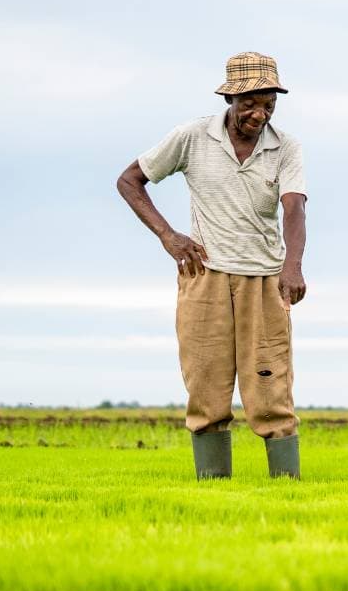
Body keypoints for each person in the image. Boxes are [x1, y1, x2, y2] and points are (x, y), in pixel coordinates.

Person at [117, 52, 308, 480]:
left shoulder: (286, 147)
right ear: (230, 98)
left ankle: (288, 486)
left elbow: (294, 208)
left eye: (269, 105)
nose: (259, 115)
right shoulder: (192, 137)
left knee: (270, 383)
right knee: (205, 382)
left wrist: (292, 266)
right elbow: (130, 180)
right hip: (205, 277)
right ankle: (214, 486)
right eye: (250, 104)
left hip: (264, 279)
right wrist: (168, 236)